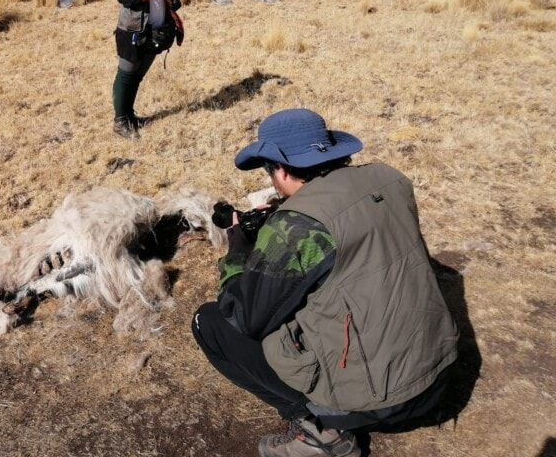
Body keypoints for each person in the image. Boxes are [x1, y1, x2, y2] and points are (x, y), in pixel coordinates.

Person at [192, 108, 458, 457]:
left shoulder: (299, 226)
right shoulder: (389, 179)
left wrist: (238, 247)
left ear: (281, 169)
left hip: (380, 400)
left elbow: (245, 316)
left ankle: (322, 432)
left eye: (269, 171)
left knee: (211, 322)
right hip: (438, 373)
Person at [112, 0, 184, 138]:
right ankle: (120, 121)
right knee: (127, 72)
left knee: (138, 74)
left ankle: (129, 115)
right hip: (133, 28)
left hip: (157, 27)